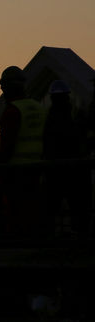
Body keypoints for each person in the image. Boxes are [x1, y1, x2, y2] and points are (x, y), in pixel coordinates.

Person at [0, 66, 47, 237]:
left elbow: (6, 145)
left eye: (3, 87)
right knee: (33, 212)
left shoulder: (12, 111)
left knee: (15, 215)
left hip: (16, 171)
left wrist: (0, 167)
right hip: (38, 170)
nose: (2, 91)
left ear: (9, 87)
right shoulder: (40, 109)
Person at [43, 79, 91, 236]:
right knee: (78, 207)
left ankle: (50, 237)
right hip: (74, 169)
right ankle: (81, 236)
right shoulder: (76, 114)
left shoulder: (51, 117)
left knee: (53, 207)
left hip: (57, 169)